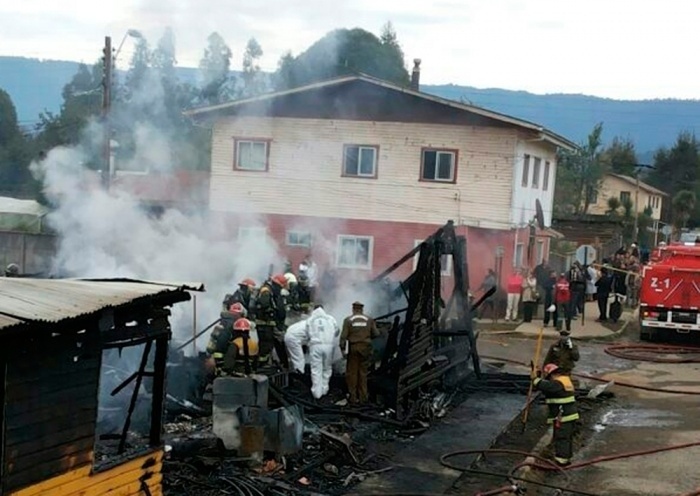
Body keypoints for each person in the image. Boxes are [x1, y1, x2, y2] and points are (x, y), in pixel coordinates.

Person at [532, 363, 579, 466]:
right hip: (567, 414)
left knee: (562, 437)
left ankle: (561, 461)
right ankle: (565, 458)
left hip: (563, 416)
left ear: (553, 374)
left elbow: (548, 386)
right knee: (566, 437)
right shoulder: (564, 380)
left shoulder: (558, 382)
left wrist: (535, 379)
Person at [340, 301, 379, 405]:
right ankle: (363, 398)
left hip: (353, 348)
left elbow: (343, 337)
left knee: (352, 373)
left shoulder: (348, 320)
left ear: (353, 309)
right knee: (363, 373)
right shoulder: (369, 320)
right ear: (362, 309)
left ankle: (353, 398)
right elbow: (376, 334)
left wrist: (343, 349)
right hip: (365, 349)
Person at [306, 305, 340, 399]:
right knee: (327, 368)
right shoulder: (330, 318)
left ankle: (316, 394)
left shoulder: (310, 320)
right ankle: (325, 390)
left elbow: (307, 333)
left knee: (316, 370)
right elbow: (337, 331)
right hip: (328, 346)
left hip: (315, 346)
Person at [255, 274, 288, 367]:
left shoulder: (271, 291)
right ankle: (262, 366)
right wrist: (273, 311)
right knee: (266, 346)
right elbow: (265, 305)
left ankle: (267, 363)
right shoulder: (266, 291)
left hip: (268, 325)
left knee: (269, 345)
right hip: (264, 325)